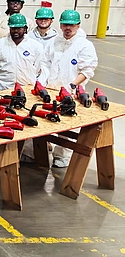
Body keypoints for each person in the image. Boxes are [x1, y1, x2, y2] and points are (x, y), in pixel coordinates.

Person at [39, 10, 98, 167]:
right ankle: (40, 151)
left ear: (78, 25)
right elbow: (45, 63)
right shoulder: (54, 42)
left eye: (71, 25)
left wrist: (73, 85)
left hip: (70, 92)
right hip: (51, 89)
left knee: (67, 126)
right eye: (65, 25)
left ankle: (62, 157)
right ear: (60, 25)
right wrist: (41, 83)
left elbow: (88, 70)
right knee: (48, 121)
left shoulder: (84, 45)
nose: (67, 28)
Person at [0, 13, 43, 93]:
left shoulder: (35, 46)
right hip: (3, 87)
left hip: (27, 88)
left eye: (19, 28)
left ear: (25, 29)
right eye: (13, 28)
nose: (15, 31)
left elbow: (37, 68)